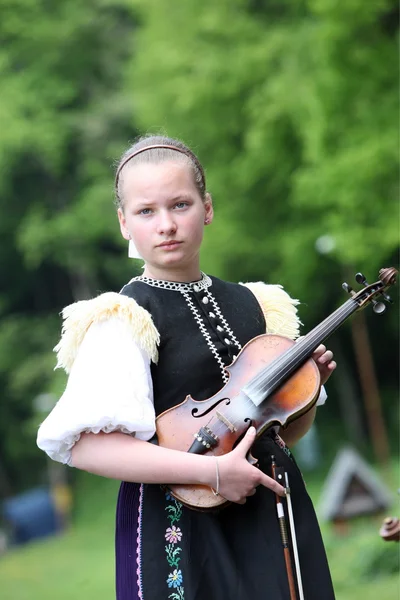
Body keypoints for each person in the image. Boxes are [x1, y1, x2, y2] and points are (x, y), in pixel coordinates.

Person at [37, 135, 337, 600]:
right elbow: (88, 448)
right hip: (178, 528)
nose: (167, 225)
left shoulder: (258, 303)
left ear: (208, 207)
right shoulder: (124, 318)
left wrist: (303, 395)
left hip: (272, 511)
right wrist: (214, 474)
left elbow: (277, 435)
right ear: (124, 223)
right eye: (146, 212)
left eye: (180, 204)